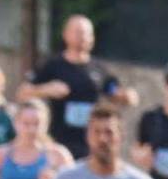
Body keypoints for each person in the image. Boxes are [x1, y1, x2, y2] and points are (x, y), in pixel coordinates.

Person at [18, 14, 138, 161]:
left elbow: (114, 92)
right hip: (59, 141)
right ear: (66, 35)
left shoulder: (99, 69)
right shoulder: (53, 65)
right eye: (78, 32)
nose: (83, 37)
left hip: (91, 143)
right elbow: (23, 93)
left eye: (87, 33)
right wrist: (46, 89)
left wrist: (127, 96)